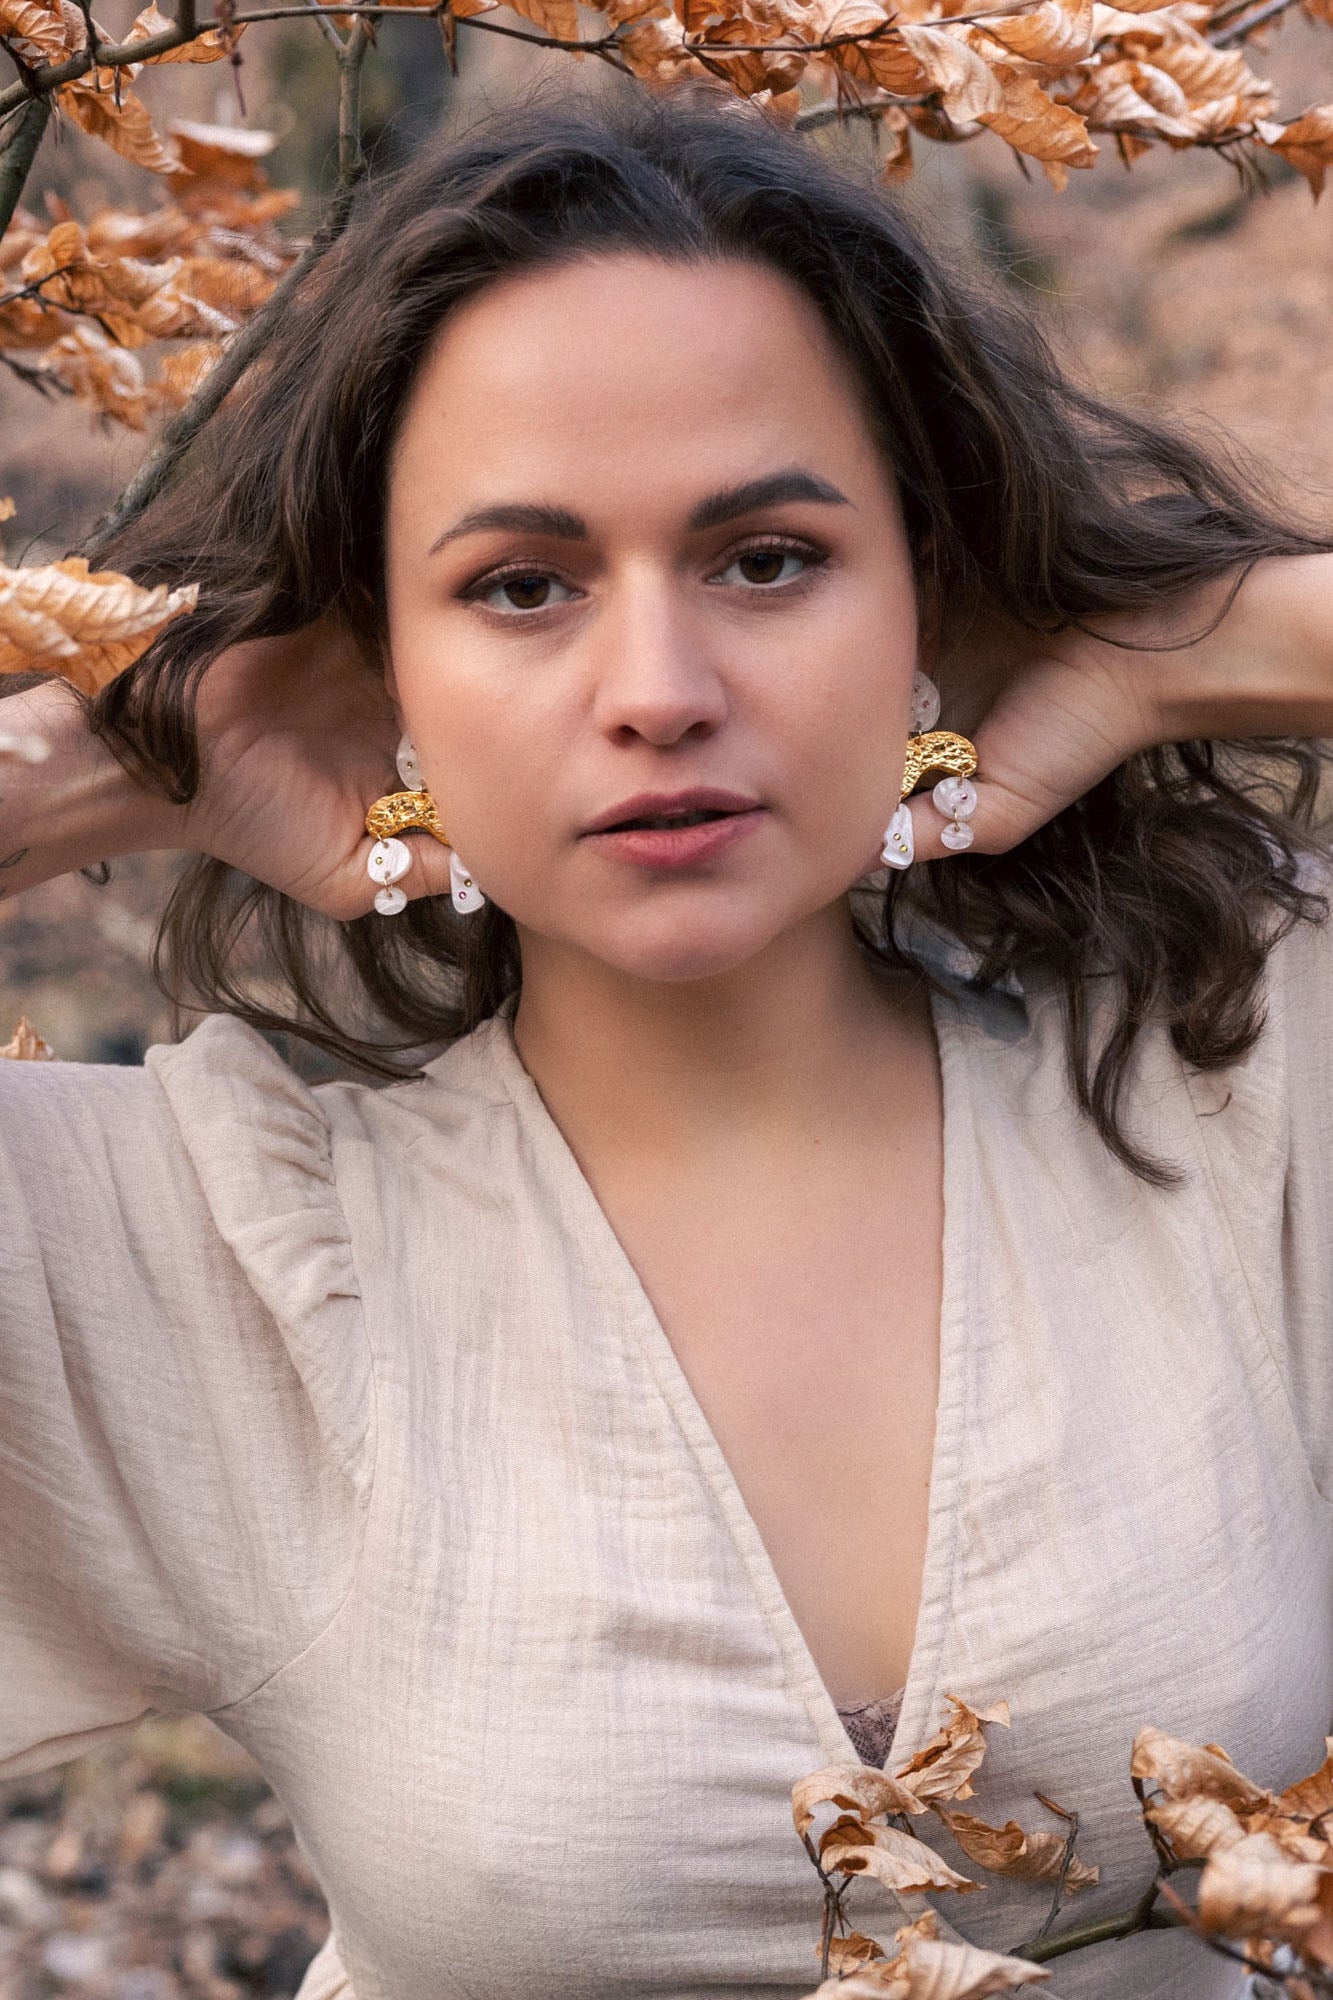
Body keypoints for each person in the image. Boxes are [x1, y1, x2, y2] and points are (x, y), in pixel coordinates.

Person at [4, 88, 1333, 2000]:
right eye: (519, 587)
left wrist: (1182, 636)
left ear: (929, 601)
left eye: (769, 558)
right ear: (376, 668)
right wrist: (91, 758)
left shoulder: (1230, 1081)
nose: (658, 694)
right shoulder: (210, 1257)